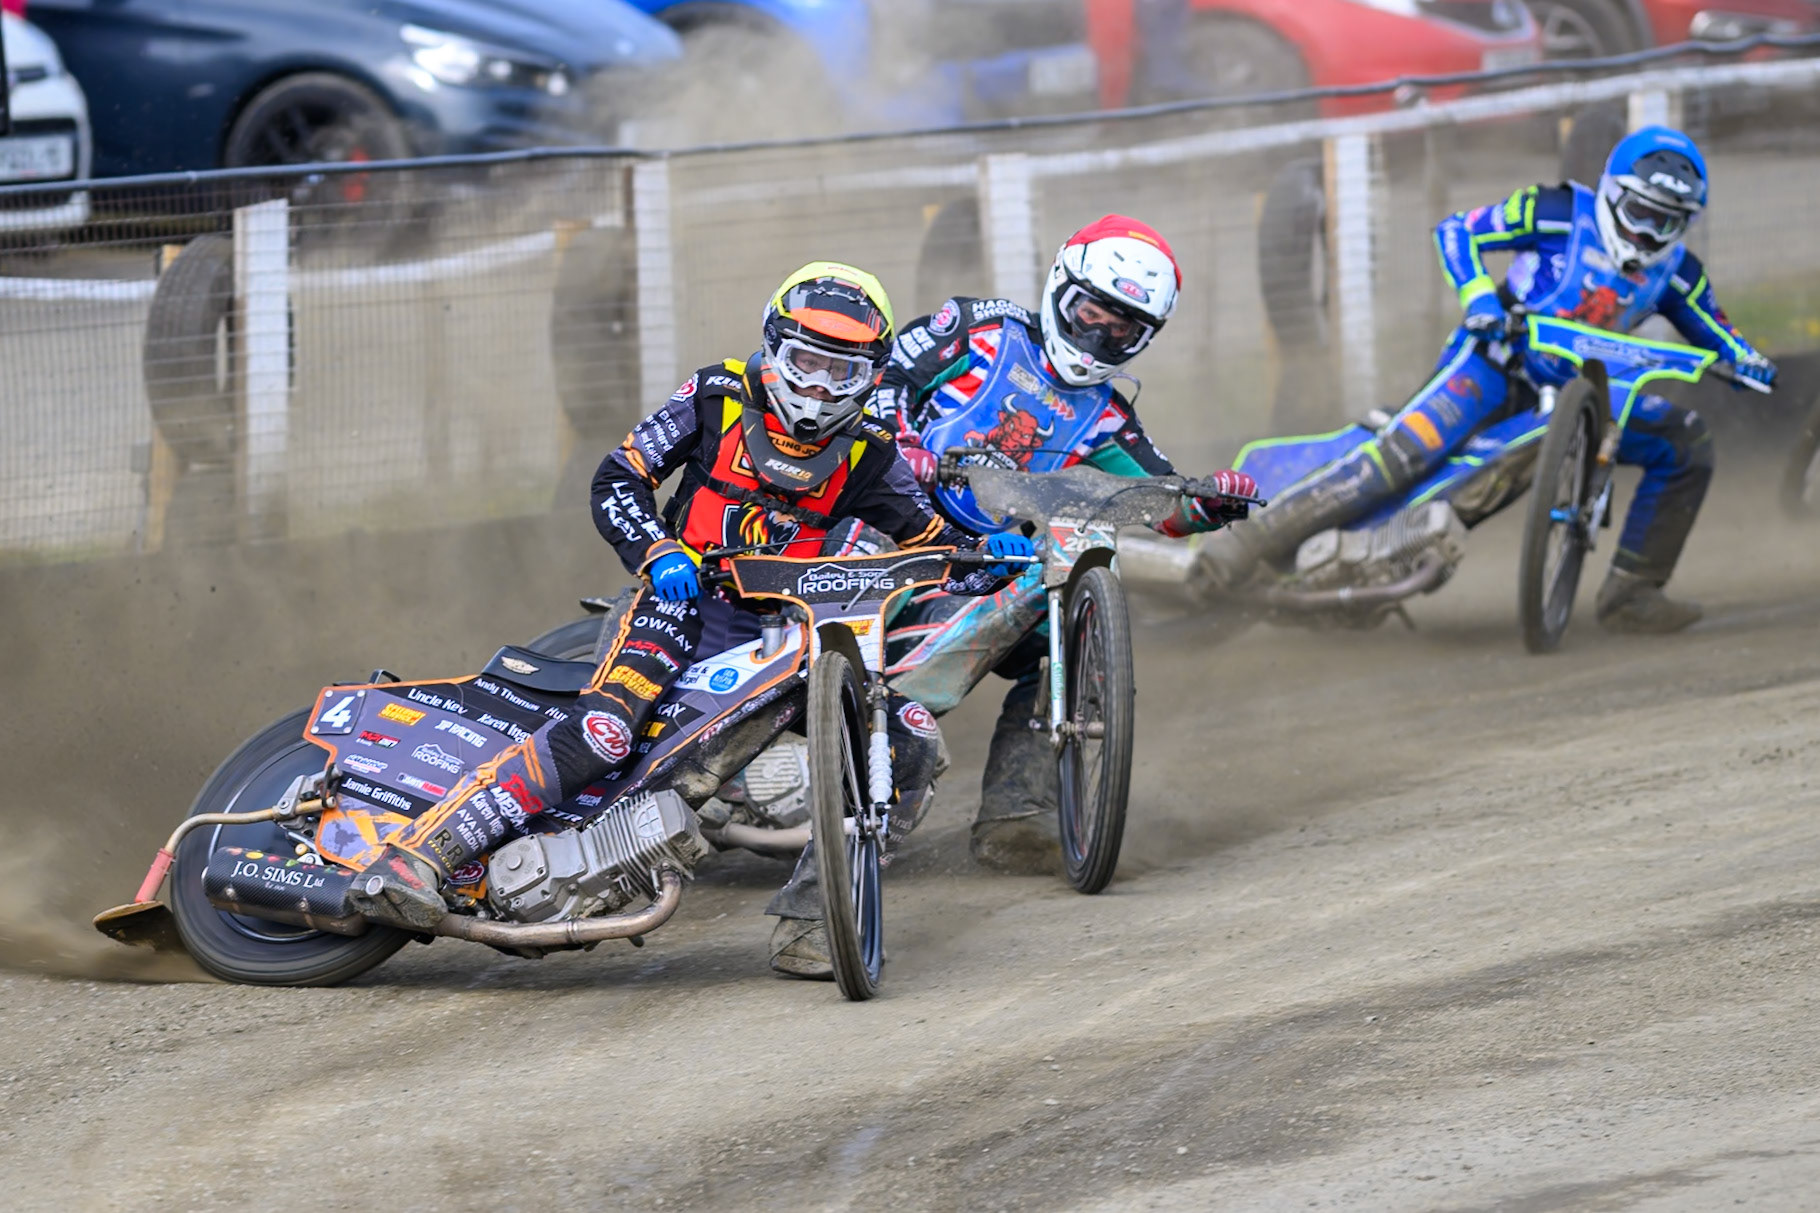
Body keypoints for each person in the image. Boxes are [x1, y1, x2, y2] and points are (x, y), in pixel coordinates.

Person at [347, 262, 1033, 979]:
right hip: (680, 606)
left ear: (872, 376)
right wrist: (656, 548)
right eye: (806, 361)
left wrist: (989, 558)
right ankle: (418, 857)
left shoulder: (870, 452)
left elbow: (927, 543)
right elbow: (620, 475)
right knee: (606, 729)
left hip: (795, 634)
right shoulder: (716, 395)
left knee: (912, 742)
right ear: (774, 345)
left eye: (843, 372)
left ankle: (813, 920)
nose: (820, 386)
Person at [1195, 127, 1778, 633]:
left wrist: (1750, 363)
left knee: (1687, 440)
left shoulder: (1680, 274)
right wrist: (1479, 297)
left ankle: (1634, 592)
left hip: (1587, 391)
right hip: (1493, 361)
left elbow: (1720, 336)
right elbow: (1458, 231)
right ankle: (1246, 544)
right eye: (1641, 213)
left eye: (1668, 221)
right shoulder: (1554, 210)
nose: (1650, 234)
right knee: (1405, 453)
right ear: (1612, 195)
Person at [874, 215, 1257, 872]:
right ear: (1060, 287)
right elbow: (885, 377)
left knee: (1061, 632)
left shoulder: (1108, 415)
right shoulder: (979, 329)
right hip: (886, 528)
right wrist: (902, 442)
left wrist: (1212, 504)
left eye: (1123, 328)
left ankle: (1017, 811)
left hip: (980, 564)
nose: (1100, 334)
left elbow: (1162, 502)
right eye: (1092, 312)